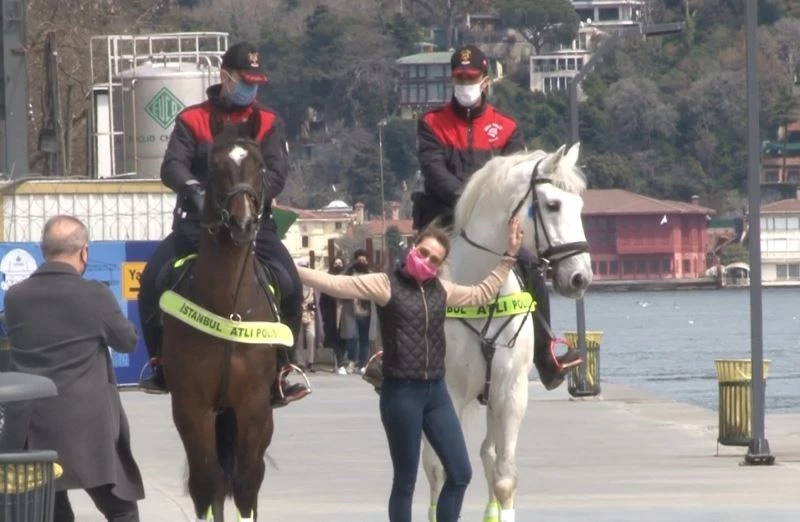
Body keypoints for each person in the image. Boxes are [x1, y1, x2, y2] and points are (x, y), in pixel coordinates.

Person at [297, 217, 524, 522]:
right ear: (413, 248)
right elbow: (337, 284)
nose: (427, 261)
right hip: (401, 394)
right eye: (424, 253)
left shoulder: (441, 290)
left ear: (440, 266)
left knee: (460, 473)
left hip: (436, 393)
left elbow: (481, 293)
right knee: (405, 481)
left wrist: (509, 256)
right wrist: (288, 267)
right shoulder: (384, 284)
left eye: (435, 260)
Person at [136, 41, 310, 406]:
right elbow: (172, 167)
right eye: (245, 80)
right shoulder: (191, 119)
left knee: (291, 284)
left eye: (256, 82)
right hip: (197, 225)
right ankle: (158, 363)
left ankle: (284, 368)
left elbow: (277, 171)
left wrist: (252, 198)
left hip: (253, 225)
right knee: (152, 280)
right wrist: (195, 190)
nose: (251, 88)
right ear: (225, 77)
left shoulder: (269, 122)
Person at [411, 44, 574, 391]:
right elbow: (434, 174)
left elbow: (515, 177)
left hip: (497, 224)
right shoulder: (431, 123)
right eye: (459, 77)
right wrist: (469, 205)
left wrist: (487, 212)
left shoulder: (506, 127)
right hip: (443, 219)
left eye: (471, 77)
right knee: (408, 270)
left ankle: (547, 356)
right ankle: (391, 356)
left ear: (485, 80)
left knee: (530, 267)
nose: (465, 83)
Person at [0, 216, 145, 522]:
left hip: (31, 429)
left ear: (43, 250)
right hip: (87, 431)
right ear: (84, 253)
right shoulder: (94, 294)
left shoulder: (15, 297)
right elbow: (127, 341)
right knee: (122, 510)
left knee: (52, 509)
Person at [341, 249, 378, 373]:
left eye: (364, 260)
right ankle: (351, 362)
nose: (362, 262)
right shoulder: (350, 274)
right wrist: (348, 267)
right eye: (359, 260)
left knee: (365, 339)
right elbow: (339, 281)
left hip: (367, 312)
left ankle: (363, 363)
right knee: (353, 337)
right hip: (352, 311)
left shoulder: (371, 274)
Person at [318, 256, 349, 374]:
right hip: (331, 313)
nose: (338, 265)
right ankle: (340, 363)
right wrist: (325, 315)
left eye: (340, 263)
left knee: (344, 339)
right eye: (336, 263)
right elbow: (322, 300)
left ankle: (340, 361)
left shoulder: (347, 279)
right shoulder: (328, 279)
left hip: (345, 313)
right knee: (334, 339)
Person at [295, 260, 322, 372]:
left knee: (311, 336)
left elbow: (318, 298)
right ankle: (300, 363)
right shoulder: (294, 282)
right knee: (298, 339)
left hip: (310, 314)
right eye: (301, 267)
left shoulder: (312, 283)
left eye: (305, 267)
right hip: (298, 313)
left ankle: (311, 362)